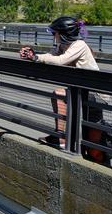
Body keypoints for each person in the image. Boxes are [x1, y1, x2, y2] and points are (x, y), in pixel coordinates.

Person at [19, 16, 103, 151]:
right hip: (81, 90)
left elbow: (60, 60)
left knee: (94, 144)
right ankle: (60, 136)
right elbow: (50, 56)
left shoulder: (79, 45)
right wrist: (32, 55)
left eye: (55, 33)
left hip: (95, 93)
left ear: (64, 34)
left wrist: (37, 58)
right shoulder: (63, 45)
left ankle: (62, 139)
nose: (53, 36)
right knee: (59, 95)